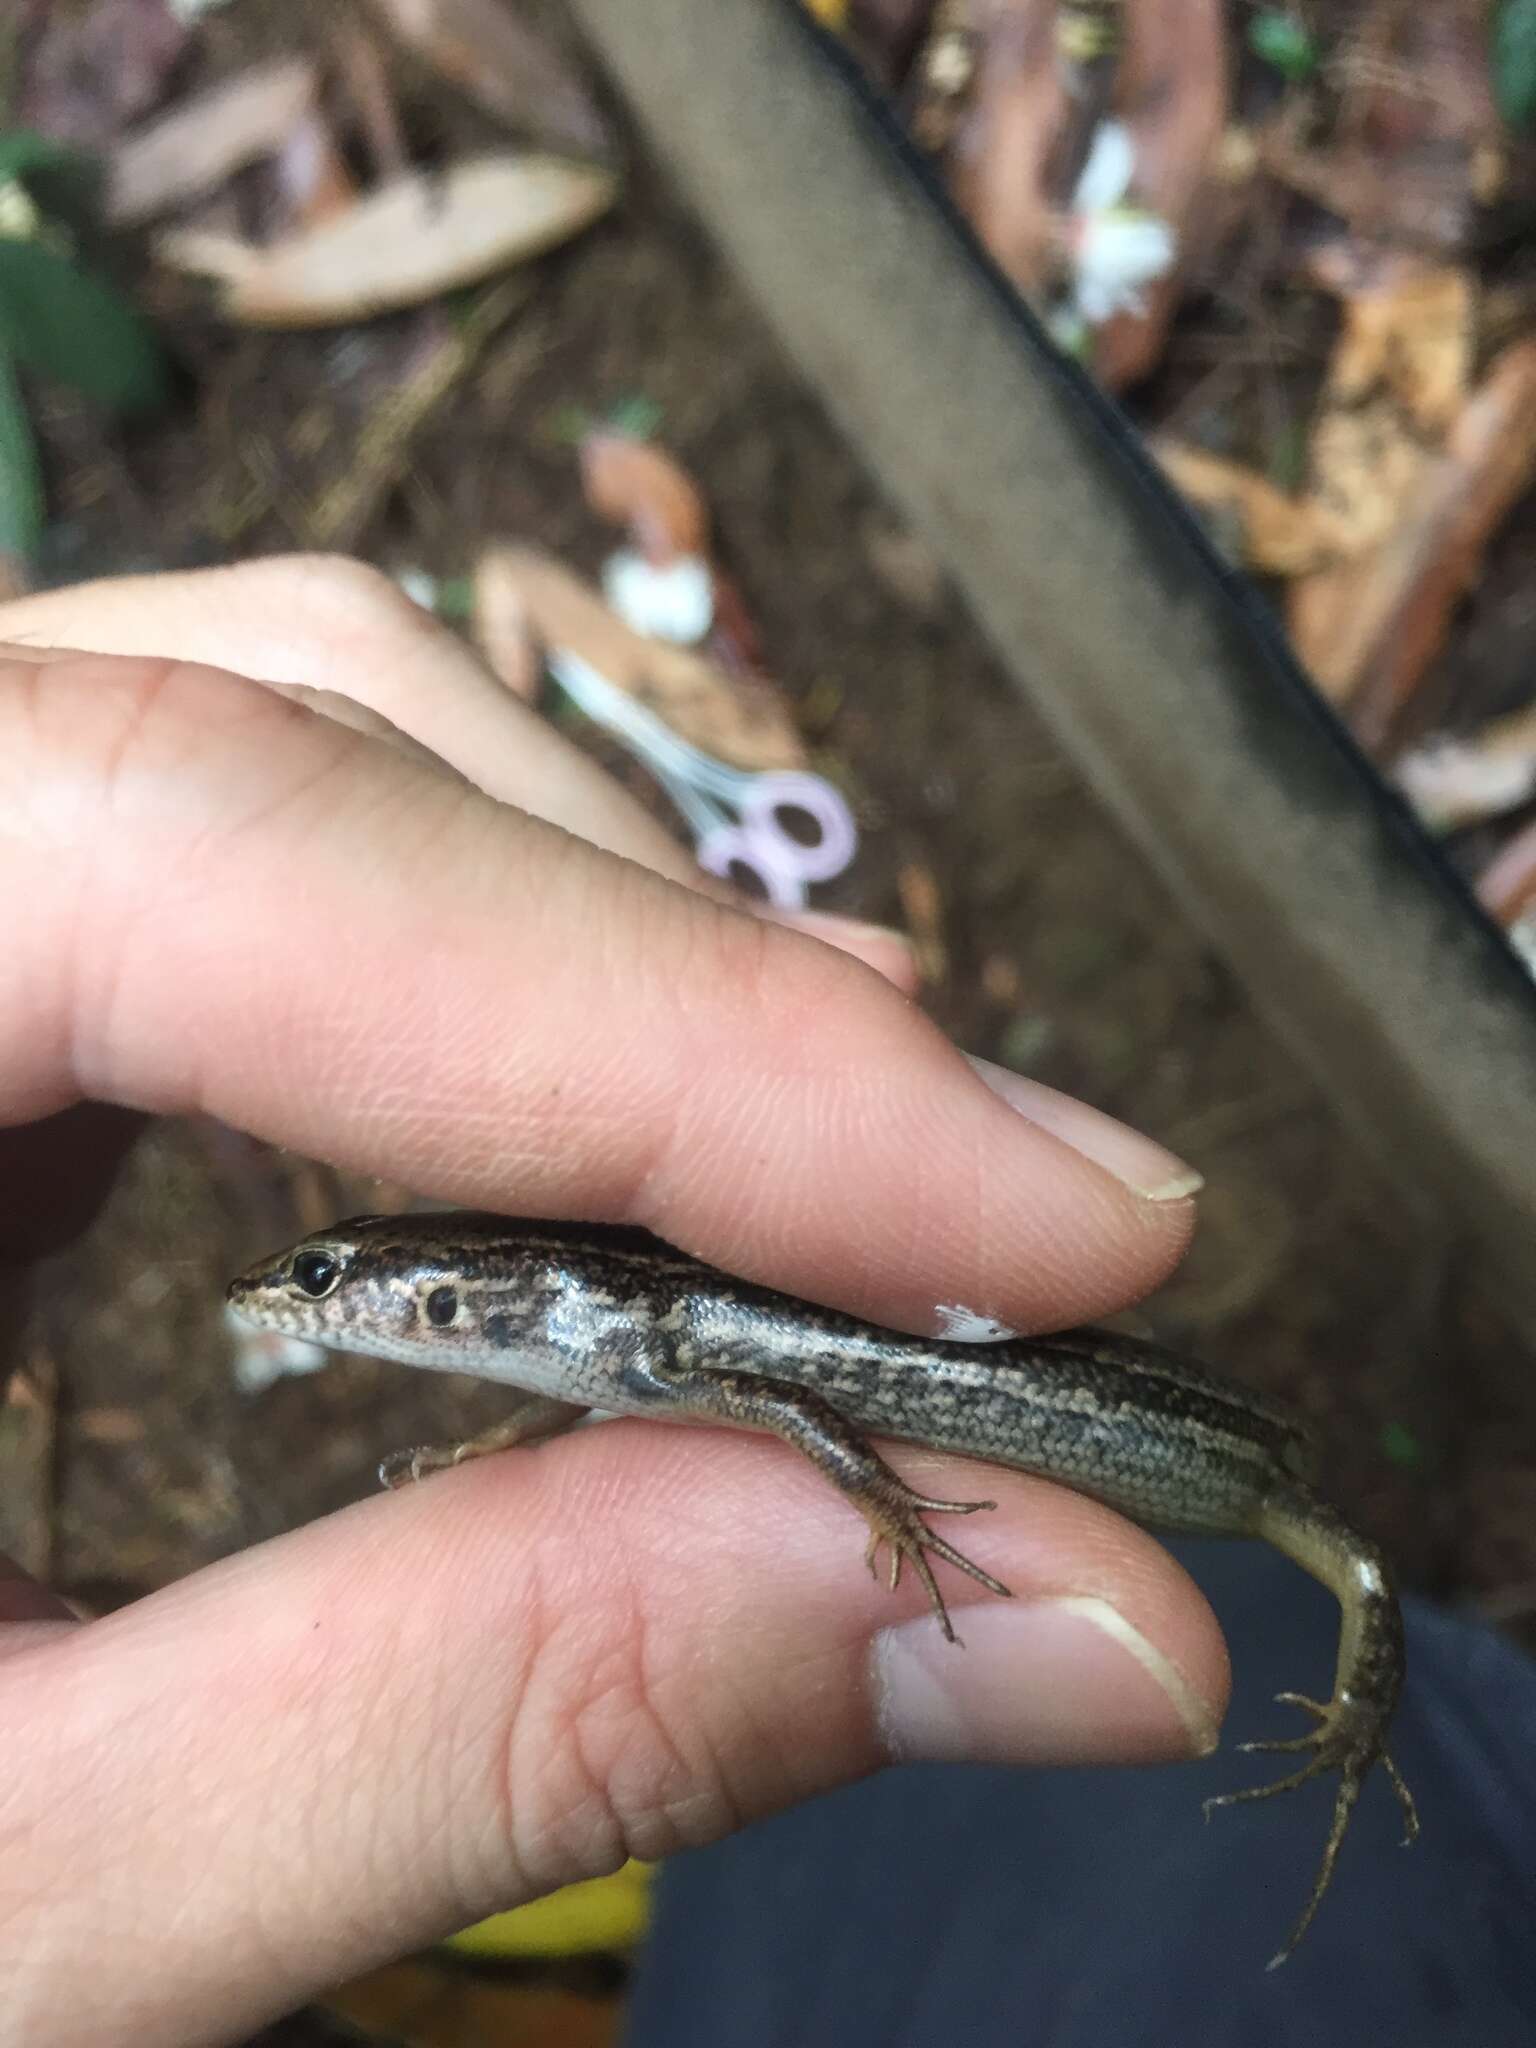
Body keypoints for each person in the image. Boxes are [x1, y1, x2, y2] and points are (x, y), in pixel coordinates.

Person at [3, 560, 1529, 2047]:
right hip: (1090, 1468)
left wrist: (887, 1509)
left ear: (454, 1291)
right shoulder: (604, 1333)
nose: (311, 1303)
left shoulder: (632, 1331)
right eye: (322, 1284)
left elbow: (793, 1401)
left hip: (1227, 1462)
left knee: (1352, 1571)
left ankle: (1372, 1715)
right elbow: (691, 1404)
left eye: (334, 1282)